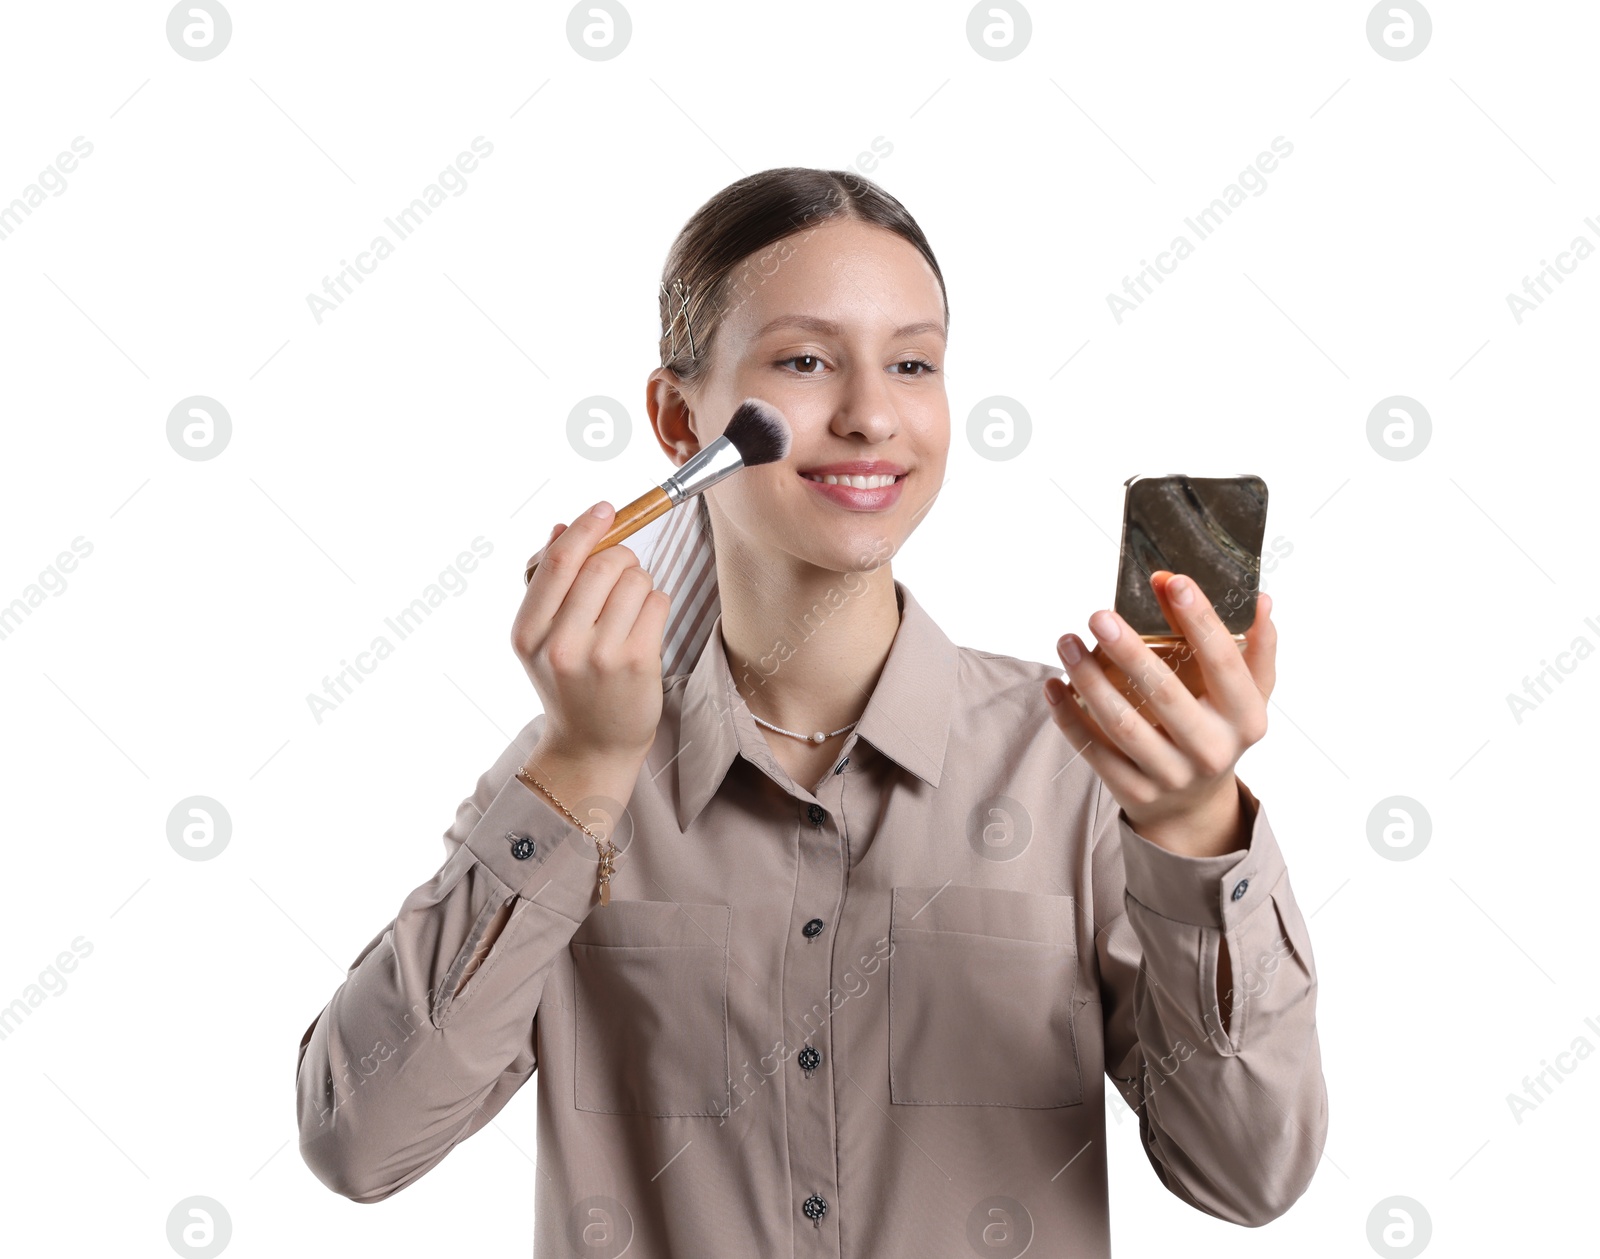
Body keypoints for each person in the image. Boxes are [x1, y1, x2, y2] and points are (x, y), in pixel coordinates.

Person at [295, 167, 1328, 1258]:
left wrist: (1194, 831)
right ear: (676, 415)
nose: (871, 413)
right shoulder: (576, 771)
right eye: (802, 360)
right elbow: (359, 1141)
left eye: (913, 363)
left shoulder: (1074, 761)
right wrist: (582, 768)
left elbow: (1247, 1174)